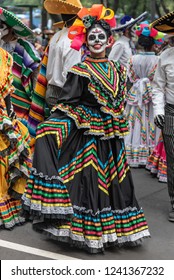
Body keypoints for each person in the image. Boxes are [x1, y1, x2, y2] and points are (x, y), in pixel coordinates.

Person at [21, 4, 150, 253]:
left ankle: (111, 231)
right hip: (88, 136)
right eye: (92, 37)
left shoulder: (118, 70)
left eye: (101, 37)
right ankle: (85, 231)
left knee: (114, 183)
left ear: (110, 40)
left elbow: (119, 100)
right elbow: (68, 103)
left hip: (111, 138)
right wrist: (51, 127)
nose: (97, 41)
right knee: (88, 181)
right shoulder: (80, 70)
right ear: (85, 42)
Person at [27, 0, 83, 138]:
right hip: (64, 93)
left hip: (50, 90)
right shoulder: (73, 40)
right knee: (66, 136)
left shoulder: (57, 36)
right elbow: (70, 76)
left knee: (53, 134)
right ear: (76, 16)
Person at [124, 22, 164, 167]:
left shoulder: (132, 59)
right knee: (152, 122)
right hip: (152, 96)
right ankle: (151, 153)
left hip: (136, 95)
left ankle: (135, 152)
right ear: (154, 43)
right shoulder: (158, 60)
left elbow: (131, 78)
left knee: (136, 123)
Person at [0, 47, 32, 229]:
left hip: (2, 115)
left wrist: (11, 112)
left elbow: (7, 92)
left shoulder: (5, 56)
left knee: (4, 162)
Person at [0, 7, 41, 134]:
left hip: (21, 100)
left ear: (10, 29)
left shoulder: (24, 48)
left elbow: (35, 73)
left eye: (1, 26)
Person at [150, 11, 174, 222]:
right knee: (173, 160)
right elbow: (157, 87)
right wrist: (158, 111)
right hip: (171, 113)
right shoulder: (165, 57)